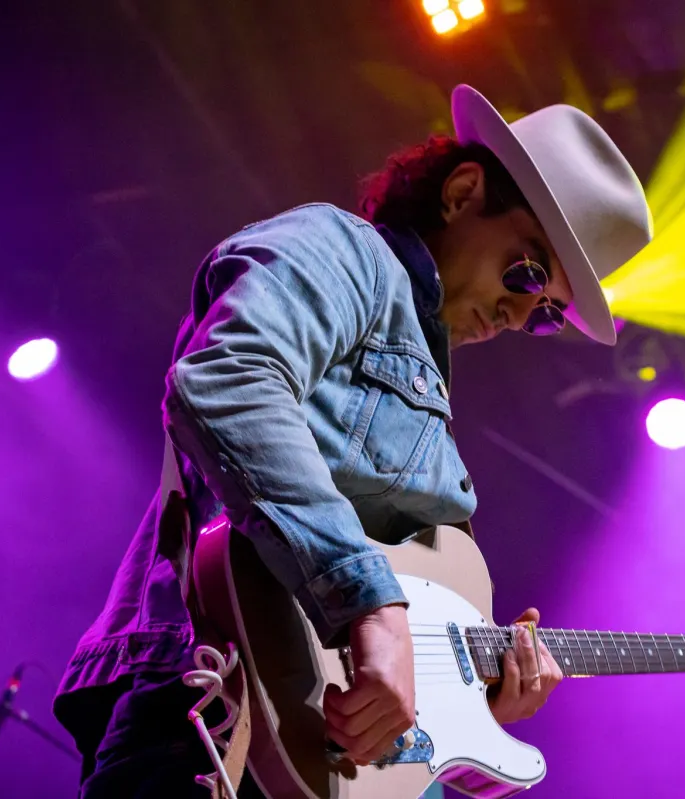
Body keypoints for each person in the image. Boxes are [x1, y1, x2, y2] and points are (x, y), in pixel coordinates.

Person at [53, 84, 653, 798]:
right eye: (526, 270)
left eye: (549, 311)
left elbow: (391, 705)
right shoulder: (344, 250)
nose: (523, 312)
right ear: (462, 192)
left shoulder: (425, 380)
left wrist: (482, 711)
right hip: (216, 714)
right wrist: (371, 605)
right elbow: (229, 375)